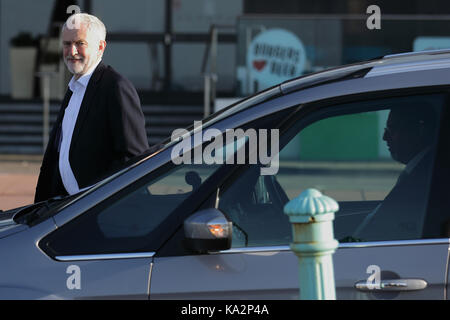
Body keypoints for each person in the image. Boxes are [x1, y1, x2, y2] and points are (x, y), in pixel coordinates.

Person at [34, 13, 149, 203]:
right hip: (68, 210)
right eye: (66, 44)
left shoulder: (115, 87)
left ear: (100, 47)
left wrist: (99, 204)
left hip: (102, 213)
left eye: (80, 43)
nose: (72, 51)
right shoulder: (74, 89)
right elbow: (57, 156)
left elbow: (133, 158)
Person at [353, 104, 438, 240]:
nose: (384, 137)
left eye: (392, 129)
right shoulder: (419, 170)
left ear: (420, 130)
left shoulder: (426, 178)